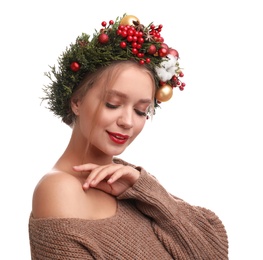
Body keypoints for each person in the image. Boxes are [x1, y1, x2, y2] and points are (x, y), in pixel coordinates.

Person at [28, 14, 228, 259]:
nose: (127, 121)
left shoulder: (131, 181)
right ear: (77, 101)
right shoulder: (59, 189)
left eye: (140, 110)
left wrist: (149, 193)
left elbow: (213, 252)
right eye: (112, 104)